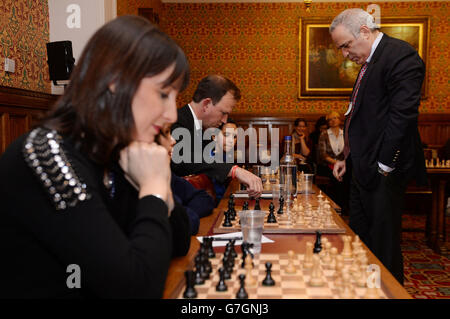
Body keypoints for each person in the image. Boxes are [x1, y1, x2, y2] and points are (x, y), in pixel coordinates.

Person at [0, 15, 191, 298]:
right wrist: (152, 188)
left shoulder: (116, 152)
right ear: (115, 80)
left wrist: (161, 186)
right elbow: (137, 289)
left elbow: (178, 242)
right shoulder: (48, 157)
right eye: (163, 94)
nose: (172, 114)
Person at [330, 8, 427, 284]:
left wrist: (384, 165)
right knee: (363, 240)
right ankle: (365, 290)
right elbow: (359, 116)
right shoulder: (369, 63)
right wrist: (346, 157)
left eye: (346, 45)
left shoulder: (400, 55)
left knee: (383, 247)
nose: (345, 54)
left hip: (383, 170)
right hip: (362, 167)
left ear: (363, 31)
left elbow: (403, 115)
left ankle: (388, 292)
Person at [171, 74, 262, 198]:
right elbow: (184, 159)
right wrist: (234, 171)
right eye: (223, 113)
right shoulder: (175, 121)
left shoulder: (206, 128)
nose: (225, 120)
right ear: (206, 104)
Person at [156, 124, 215, 235]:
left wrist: (184, 214)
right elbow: (184, 228)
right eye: (166, 132)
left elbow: (204, 198)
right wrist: (185, 216)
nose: (173, 140)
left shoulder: (167, 174)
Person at [210, 120, 238, 204]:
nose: (231, 140)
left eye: (234, 136)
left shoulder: (226, 156)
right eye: (226, 135)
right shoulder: (209, 158)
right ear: (214, 136)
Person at [318, 111, 344, 175]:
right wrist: (336, 163)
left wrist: (343, 163)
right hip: (327, 165)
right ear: (328, 123)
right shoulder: (323, 134)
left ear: (339, 120)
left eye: (335, 118)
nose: (333, 120)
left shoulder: (345, 133)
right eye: (330, 119)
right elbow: (323, 154)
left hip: (343, 165)